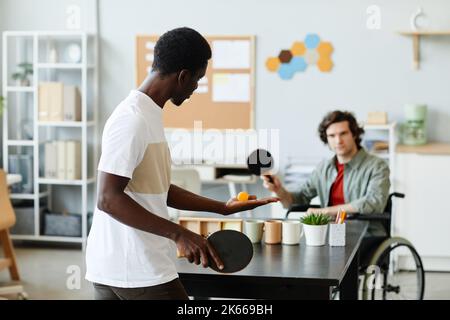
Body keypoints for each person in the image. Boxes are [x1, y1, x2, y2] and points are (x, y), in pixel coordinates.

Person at [85, 27, 278, 300]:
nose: (195, 89)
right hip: (137, 268)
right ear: (182, 76)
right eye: (197, 80)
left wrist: (222, 208)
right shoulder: (132, 120)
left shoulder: (149, 115)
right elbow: (108, 198)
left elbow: (158, 187)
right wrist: (180, 235)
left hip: (120, 266)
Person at [262, 110, 390, 222]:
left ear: (354, 134)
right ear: (326, 139)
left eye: (343, 133)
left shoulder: (377, 166)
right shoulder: (323, 168)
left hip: (365, 233)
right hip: (329, 232)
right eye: (332, 136)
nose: (338, 141)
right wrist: (279, 190)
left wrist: (325, 211)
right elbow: (296, 200)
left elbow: (374, 202)